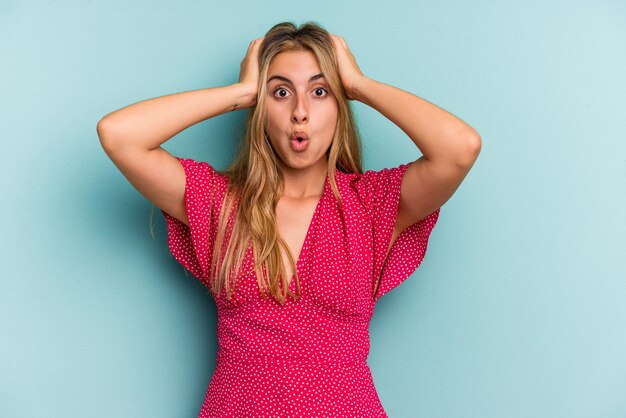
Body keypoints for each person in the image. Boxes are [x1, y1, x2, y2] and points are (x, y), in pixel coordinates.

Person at [97, 21, 480, 418]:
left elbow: (460, 148)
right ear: (261, 109)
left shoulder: (370, 205)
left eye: (319, 91)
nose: (300, 112)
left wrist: (358, 84)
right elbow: (118, 135)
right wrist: (241, 92)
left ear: (339, 106)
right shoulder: (221, 203)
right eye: (281, 92)